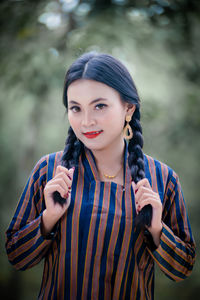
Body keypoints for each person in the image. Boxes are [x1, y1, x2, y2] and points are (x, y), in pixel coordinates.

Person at [5, 52, 196, 300]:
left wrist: (157, 229)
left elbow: (182, 268)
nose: (86, 121)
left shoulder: (163, 179)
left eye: (100, 106)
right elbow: (16, 256)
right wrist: (48, 218)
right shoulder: (50, 171)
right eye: (76, 108)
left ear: (128, 108)